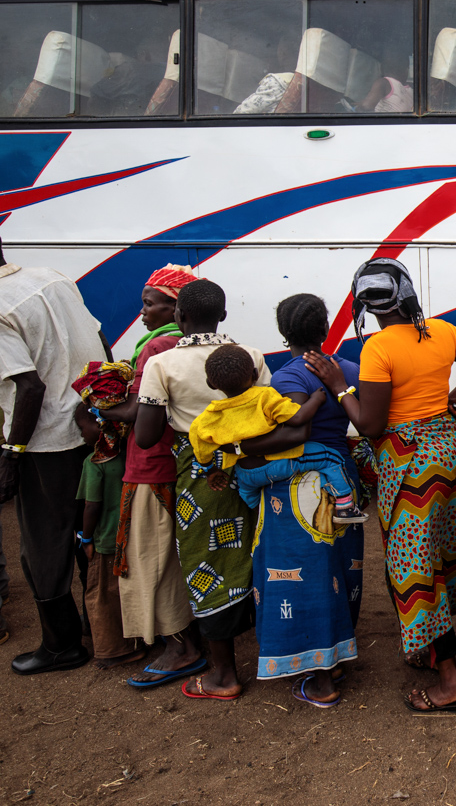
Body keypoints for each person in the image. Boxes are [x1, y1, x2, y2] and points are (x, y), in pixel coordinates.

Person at [308, 257, 456, 714]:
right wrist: (452, 398)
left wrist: (338, 386)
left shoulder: (377, 349)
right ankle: (427, 648)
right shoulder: (441, 331)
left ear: (365, 304)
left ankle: (450, 680)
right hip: (451, 454)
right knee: (447, 553)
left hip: (411, 466)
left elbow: (371, 424)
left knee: (412, 569)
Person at [133, 279, 267, 700]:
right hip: (251, 468)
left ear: (179, 316)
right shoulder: (251, 356)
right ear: (224, 315)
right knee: (254, 553)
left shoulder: (162, 365)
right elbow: (267, 413)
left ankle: (223, 674)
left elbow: (146, 435)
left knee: (207, 562)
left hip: (199, 475)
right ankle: (277, 655)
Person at [241, 294, 368, 708]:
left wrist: (244, 446)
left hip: (302, 488)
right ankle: (337, 657)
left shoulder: (288, 379)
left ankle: (321, 677)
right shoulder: (347, 368)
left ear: (283, 333)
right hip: (342, 478)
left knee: (302, 575)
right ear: (325, 328)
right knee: (339, 568)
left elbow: (295, 436)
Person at [0, 241, 106, 674]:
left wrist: (11, 455)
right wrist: (105, 406)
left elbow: (29, 388)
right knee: (90, 531)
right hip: (89, 426)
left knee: (43, 546)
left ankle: (61, 645)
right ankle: (99, 625)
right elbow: (100, 340)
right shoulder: (53, 277)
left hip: (45, 444)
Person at [100, 264, 206, 689]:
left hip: (151, 468)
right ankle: (188, 638)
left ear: (175, 307)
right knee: (176, 557)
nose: (141, 311)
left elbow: (142, 419)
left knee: (152, 558)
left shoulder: (157, 348)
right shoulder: (196, 345)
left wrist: (97, 406)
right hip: (180, 464)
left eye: (149, 303)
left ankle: (181, 648)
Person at [72, 399, 143, 669]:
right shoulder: (130, 454)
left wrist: (85, 538)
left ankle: (115, 650)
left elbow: (92, 505)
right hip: (132, 535)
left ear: (101, 426)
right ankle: (140, 640)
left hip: (105, 542)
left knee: (101, 596)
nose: (80, 433)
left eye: (82, 427)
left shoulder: (95, 462)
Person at [188, 345, 325, 471]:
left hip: (246, 473)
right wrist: (316, 399)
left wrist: (209, 470)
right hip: (278, 464)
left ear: (211, 384)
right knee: (329, 457)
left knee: (250, 497)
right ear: (255, 374)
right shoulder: (264, 397)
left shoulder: (209, 417)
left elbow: (200, 448)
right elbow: (297, 417)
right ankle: (342, 496)